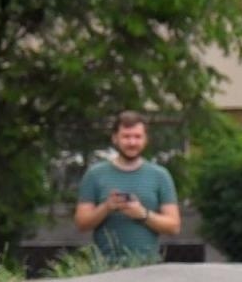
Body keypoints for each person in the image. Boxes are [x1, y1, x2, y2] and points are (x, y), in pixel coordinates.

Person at [74, 110, 180, 263]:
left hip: (148, 267)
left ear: (145, 140)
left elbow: (174, 226)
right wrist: (107, 207)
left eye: (137, 137)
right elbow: (81, 223)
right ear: (115, 138)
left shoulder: (160, 175)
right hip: (105, 268)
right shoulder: (95, 175)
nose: (132, 142)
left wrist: (142, 214)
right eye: (126, 136)